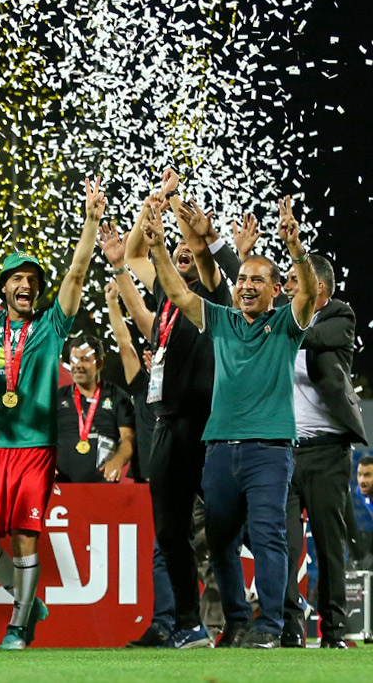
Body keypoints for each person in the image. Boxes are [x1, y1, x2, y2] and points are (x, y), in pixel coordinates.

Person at [143, 196, 316, 649]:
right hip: (219, 448)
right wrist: (158, 248)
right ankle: (237, 622)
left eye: (257, 279)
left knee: (268, 537)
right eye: (241, 279)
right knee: (219, 541)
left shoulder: (286, 323)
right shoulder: (221, 320)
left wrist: (295, 249)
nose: (246, 285)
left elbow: (307, 293)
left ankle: (271, 625)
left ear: (275, 290)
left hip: (269, 449)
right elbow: (180, 295)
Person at [0, 179, 104, 650]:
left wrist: (91, 222)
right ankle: (28, 601)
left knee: (23, 536)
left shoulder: (51, 325)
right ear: (3, 287)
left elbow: (76, 274)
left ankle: (18, 626)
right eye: (17, 278)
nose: (26, 284)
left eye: (32, 279)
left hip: (35, 450)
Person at [121, 173, 232, 649]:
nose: (182, 251)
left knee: (228, 527)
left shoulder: (216, 294)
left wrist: (182, 229)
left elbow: (199, 256)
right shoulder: (165, 296)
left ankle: (256, 615)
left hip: (208, 424)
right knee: (169, 530)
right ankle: (189, 623)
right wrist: (153, 206)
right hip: (166, 423)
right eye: (177, 249)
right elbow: (133, 256)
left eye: (189, 247)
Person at [279, 254, 365, 648]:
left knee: (330, 545)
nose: (287, 287)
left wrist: (277, 324)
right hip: (284, 451)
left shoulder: (339, 317)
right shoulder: (283, 316)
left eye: (294, 280)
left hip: (328, 451)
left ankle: (333, 632)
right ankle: (289, 628)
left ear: (319, 287)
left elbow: (310, 338)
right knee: (285, 545)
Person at [54, 335, 136, 484]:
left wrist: (117, 461)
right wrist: (44, 462)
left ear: (99, 363)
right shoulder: (58, 397)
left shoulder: (117, 396)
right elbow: (41, 436)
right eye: (73, 360)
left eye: (84, 360)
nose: (78, 365)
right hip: (62, 486)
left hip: (103, 486)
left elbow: (128, 438)